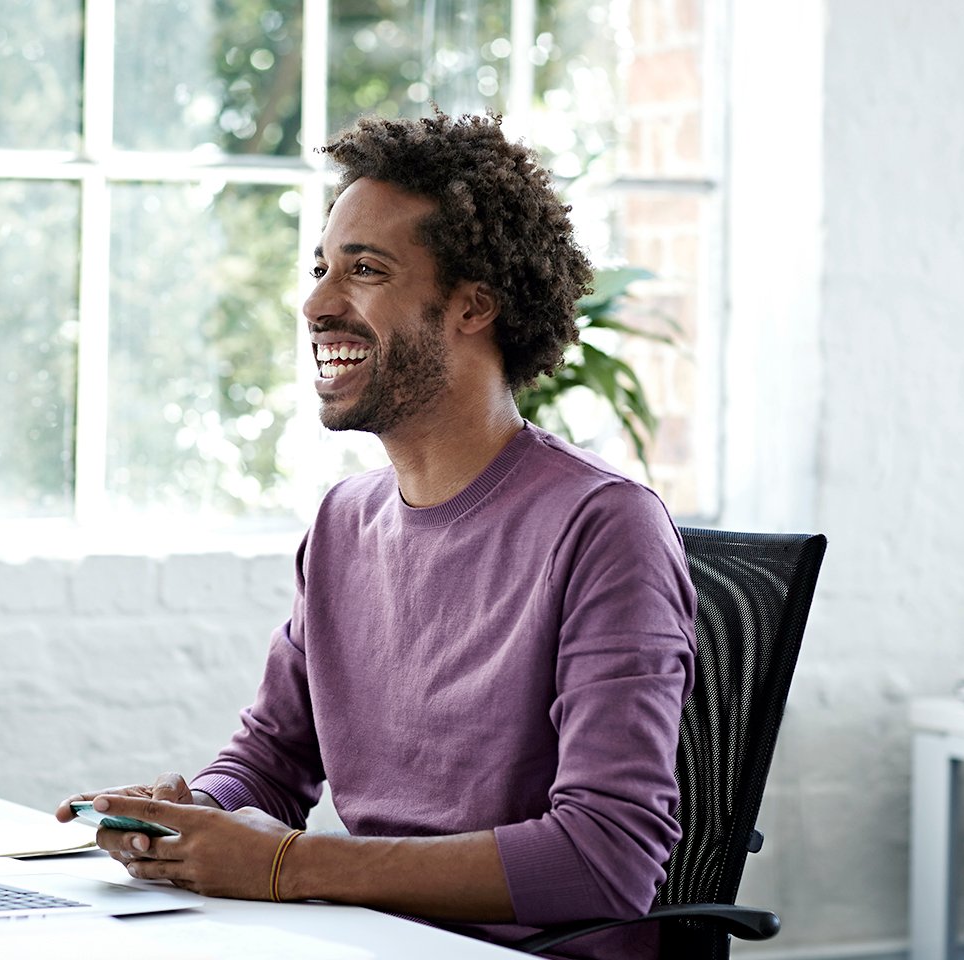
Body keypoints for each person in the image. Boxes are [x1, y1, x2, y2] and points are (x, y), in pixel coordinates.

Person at [56, 110, 696, 959]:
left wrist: (289, 865)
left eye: (365, 270)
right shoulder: (342, 522)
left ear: (473, 306)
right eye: (321, 268)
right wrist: (195, 815)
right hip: (363, 939)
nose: (318, 304)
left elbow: (607, 858)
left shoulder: (604, 525)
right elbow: (273, 761)